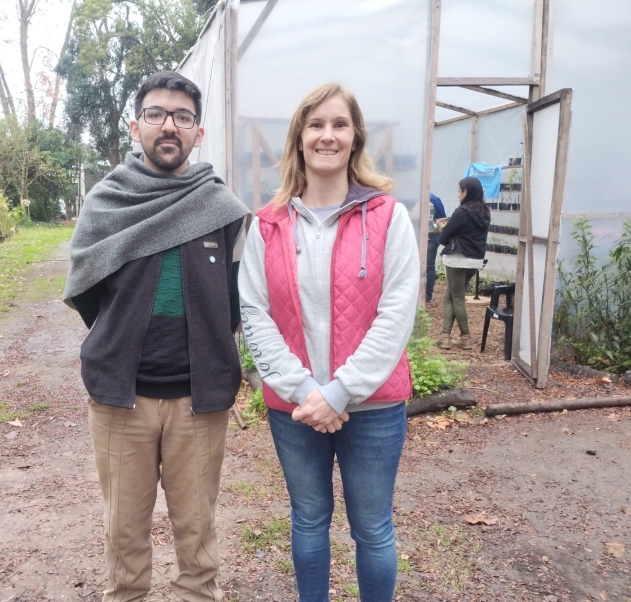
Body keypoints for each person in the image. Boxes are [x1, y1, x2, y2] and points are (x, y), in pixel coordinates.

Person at [63, 71, 250, 602]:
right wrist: (121, 339)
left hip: (199, 400)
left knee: (197, 536)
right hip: (122, 400)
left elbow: (238, 302)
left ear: (199, 131)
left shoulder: (222, 209)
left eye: (182, 117)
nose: (169, 126)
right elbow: (87, 288)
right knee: (124, 534)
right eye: (156, 115)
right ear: (135, 125)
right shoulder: (107, 203)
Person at [238, 83, 419, 602]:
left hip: (373, 406)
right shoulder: (268, 226)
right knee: (309, 521)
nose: (327, 135)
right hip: (295, 408)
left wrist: (339, 393)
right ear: (298, 139)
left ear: (355, 137)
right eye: (315, 125)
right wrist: (303, 390)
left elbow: (396, 312)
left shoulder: (388, 217)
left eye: (339, 124)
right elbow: (254, 310)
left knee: (373, 529)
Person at [435, 177, 491, 350]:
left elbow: (444, 238)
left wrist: (442, 228)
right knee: (450, 296)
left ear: (466, 192)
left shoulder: (462, 212)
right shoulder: (485, 212)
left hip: (457, 258)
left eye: (459, 191)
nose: (458, 194)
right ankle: (445, 336)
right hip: (475, 261)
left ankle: (465, 338)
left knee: (456, 297)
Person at [426, 193, 447, 302]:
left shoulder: (433, 199)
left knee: (429, 266)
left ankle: (427, 295)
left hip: (431, 239)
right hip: (419, 238)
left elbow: (442, 220)